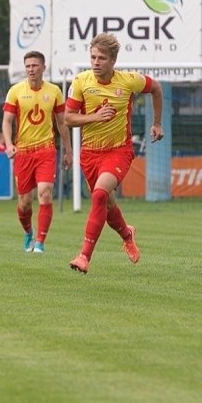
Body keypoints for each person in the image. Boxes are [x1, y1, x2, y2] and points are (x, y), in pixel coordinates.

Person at [65, 33, 164, 274]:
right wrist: (94, 117)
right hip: (90, 154)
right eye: (93, 57)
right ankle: (127, 233)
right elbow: (68, 118)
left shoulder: (128, 81)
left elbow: (156, 88)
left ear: (113, 60)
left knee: (99, 195)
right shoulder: (80, 81)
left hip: (118, 151)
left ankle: (84, 257)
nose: (95, 62)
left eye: (101, 58)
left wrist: (157, 123)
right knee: (107, 206)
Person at [2, 51, 72, 254]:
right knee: (24, 203)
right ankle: (28, 232)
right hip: (23, 152)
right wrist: (8, 144)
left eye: (34, 65)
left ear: (43, 67)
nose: (31, 69)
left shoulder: (55, 92)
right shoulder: (15, 91)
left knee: (45, 193)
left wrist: (68, 151)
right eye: (28, 66)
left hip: (46, 150)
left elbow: (62, 123)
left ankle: (40, 243)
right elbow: (6, 121)